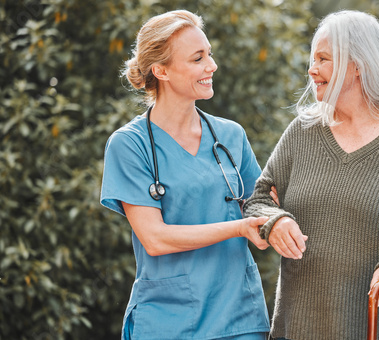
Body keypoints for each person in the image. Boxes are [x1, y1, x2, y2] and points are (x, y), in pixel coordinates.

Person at [243, 10, 379, 340]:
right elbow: (258, 200)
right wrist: (276, 220)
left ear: (357, 65)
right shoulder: (302, 132)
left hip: (375, 329)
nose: (312, 70)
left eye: (323, 59)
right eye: (312, 59)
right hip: (298, 328)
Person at [100, 10, 271, 340]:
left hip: (239, 317)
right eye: (198, 58)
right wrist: (239, 227)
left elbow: (264, 205)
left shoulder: (230, 136)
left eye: (209, 54)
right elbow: (155, 238)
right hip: (166, 321)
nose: (212, 66)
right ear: (161, 70)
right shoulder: (129, 145)